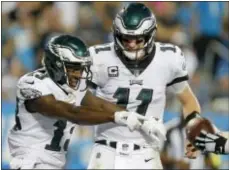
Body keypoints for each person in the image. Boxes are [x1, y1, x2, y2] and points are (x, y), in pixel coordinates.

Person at [87, 3, 203, 169]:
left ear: (151, 35)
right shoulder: (100, 58)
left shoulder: (168, 59)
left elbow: (189, 101)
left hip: (146, 153)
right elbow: (81, 99)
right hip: (107, 149)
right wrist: (117, 115)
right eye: (126, 38)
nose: (132, 45)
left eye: (138, 39)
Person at [7, 34, 148, 169]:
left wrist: (137, 118)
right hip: (30, 161)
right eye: (73, 68)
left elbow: (100, 104)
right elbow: (70, 112)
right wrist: (116, 117)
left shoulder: (72, 87)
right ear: (56, 65)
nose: (78, 74)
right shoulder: (31, 83)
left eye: (81, 68)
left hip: (53, 163)